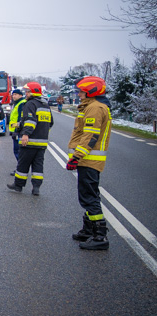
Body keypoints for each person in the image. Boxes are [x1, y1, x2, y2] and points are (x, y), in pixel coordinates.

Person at [67, 76, 112, 250]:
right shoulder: (91, 106)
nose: (78, 94)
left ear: (91, 91)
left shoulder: (95, 108)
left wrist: (76, 157)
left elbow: (90, 136)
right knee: (86, 195)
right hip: (87, 159)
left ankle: (100, 236)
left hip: (89, 159)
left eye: (81, 91)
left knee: (89, 197)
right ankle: (88, 230)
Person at [7, 82, 53, 196]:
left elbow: (30, 121)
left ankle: (18, 185)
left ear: (33, 92)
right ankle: (36, 187)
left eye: (27, 91)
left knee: (23, 164)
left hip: (30, 141)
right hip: (42, 142)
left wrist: (25, 135)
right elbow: (50, 123)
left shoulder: (30, 104)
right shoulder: (45, 105)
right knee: (38, 165)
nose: (26, 93)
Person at [7, 88, 26, 174]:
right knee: (18, 150)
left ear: (20, 95)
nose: (13, 96)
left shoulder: (21, 104)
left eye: (16, 94)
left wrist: (17, 129)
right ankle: (21, 168)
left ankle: (20, 169)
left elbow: (20, 119)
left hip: (18, 131)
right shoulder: (17, 103)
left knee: (18, 150)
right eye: (13, 94)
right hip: (16, 130)